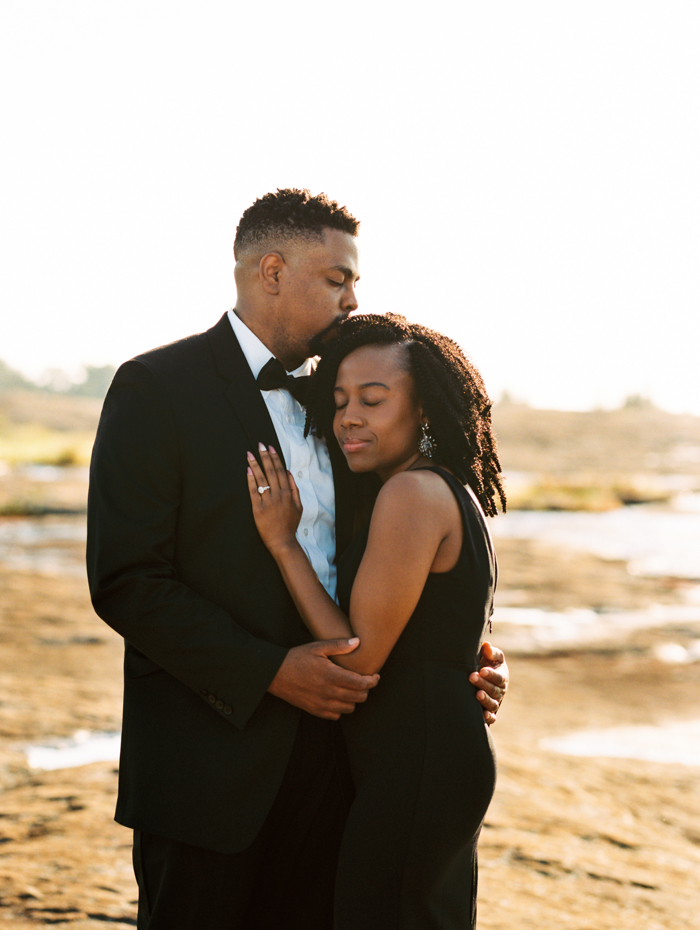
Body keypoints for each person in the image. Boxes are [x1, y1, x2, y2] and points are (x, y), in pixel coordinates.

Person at [86, 189, 508, 930]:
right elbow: (126, 582)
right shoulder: (157, 389)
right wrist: (269, 671)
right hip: (211, 770)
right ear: (273, 272)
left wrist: (458, 661)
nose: (354, 299)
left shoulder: (348, 406)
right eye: (338, 278)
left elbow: (407, 563)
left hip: (348, 771)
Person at [246, 311, 505, 929]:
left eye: (373, 399)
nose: (348, 418)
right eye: (337, 401)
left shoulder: (410, 495)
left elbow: (356, 659)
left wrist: (283, 543)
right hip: (429, 754)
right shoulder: (442, 489)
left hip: (417, 763)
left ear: (424, 411)